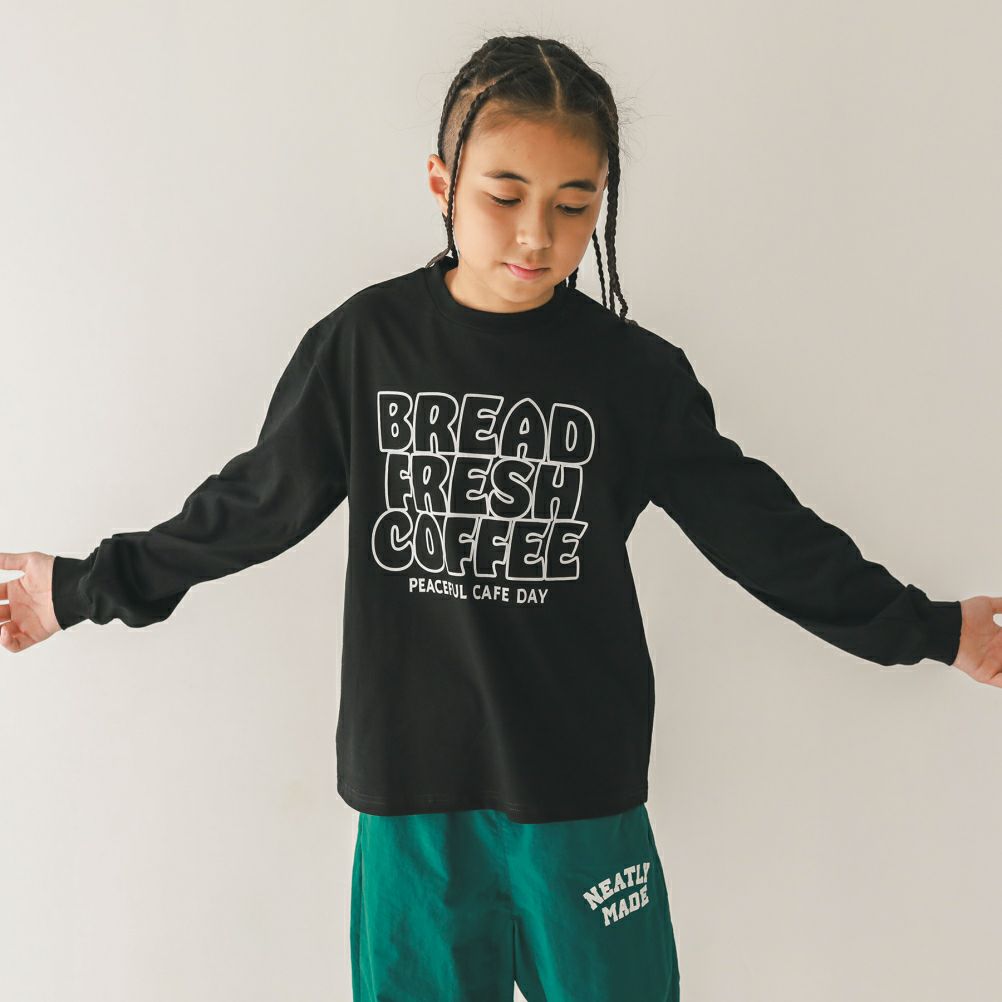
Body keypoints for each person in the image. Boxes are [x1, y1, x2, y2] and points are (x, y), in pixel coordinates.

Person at [2, 32, 1000, 1002]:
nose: (537, 235)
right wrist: (80, 589)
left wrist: (933, 628)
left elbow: (764, 533)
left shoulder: (633, 377)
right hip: (412, 799)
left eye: (574, 204)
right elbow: (252, 506)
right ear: (442, 183)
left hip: (580, 793)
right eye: (505, 195)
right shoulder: (367, 347)